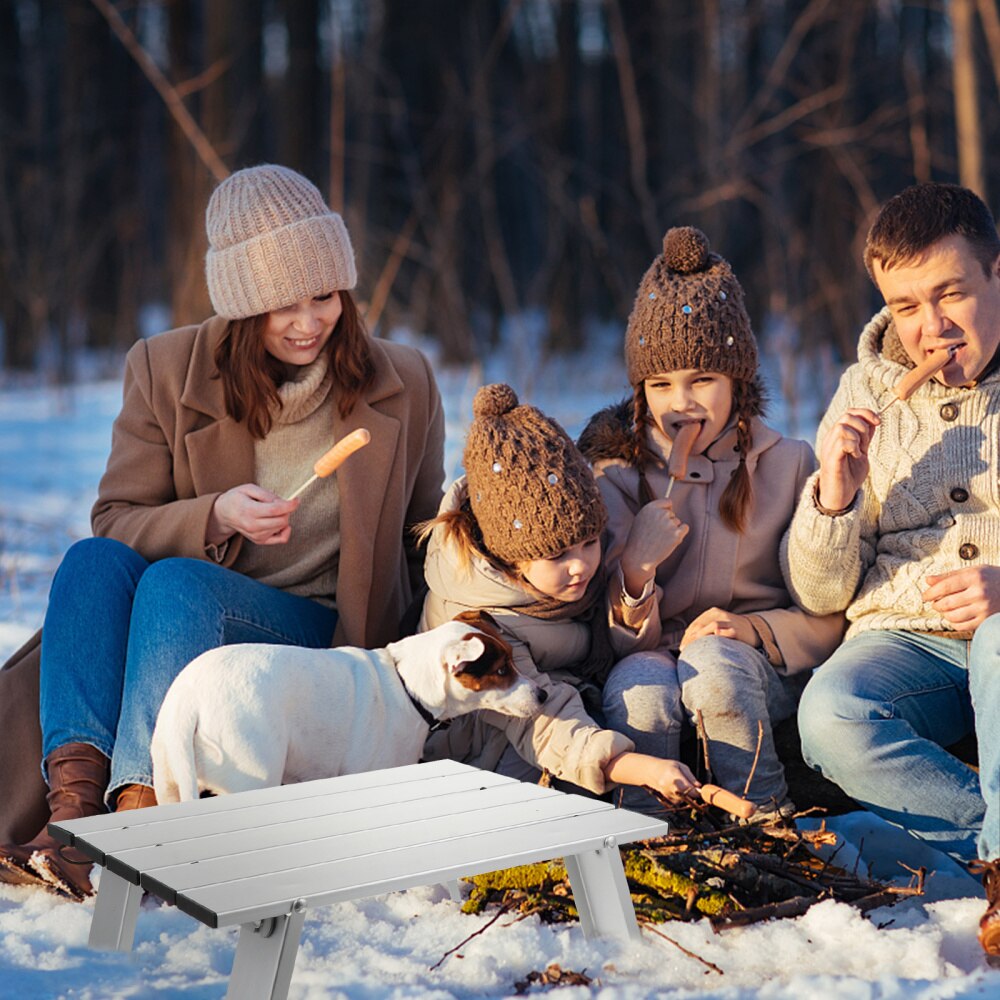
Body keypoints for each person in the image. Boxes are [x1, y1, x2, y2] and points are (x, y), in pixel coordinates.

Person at [0, 164, 445, 900]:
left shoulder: (403, 379)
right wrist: (214, 515)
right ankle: (72, 818)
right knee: (92, 560)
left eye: (325, 295)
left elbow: (423, 534)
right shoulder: (164, 369)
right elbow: (117, 519)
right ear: (242, 307)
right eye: (282, 305)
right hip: (172, 624)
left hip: (310, 634)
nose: (308, 322)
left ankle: (139, 817)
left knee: (179, 585)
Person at [783, 182, 1000, 960]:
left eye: (951, 295)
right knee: (828, 716)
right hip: (905, 639)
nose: (931, 327)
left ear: (996, 274)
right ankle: (992, 850)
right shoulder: (864, 390)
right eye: (906, 306)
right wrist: (833, 495)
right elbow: (820, 592)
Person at [578, 226, 844, 816]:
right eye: (660, 385)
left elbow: (828, 616)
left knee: (718, 672)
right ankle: (649, 842)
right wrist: (637, 570)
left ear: (737, 381)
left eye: (702, 380)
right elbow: (604, 638)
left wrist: (752, 631)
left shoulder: (790, 464)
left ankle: (767, 826)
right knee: (638, 692)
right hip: (650, 656)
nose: (681, 403)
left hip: (754, 664)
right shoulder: (615, 474)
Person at [418, 382, 699, 805]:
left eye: (589, 543)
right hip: (490, 761)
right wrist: (640, 769)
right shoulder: (478, 623)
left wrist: (635, 574)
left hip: (571, 719)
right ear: (510, 557)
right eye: (557, 555)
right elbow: (542, 725)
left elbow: (614, 648)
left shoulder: (564, 578)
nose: (581, 564)